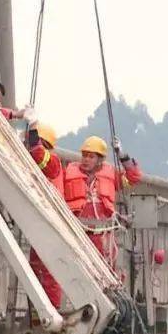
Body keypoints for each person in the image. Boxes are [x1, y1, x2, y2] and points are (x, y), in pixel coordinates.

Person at [63, 135, 143, 270]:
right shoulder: (70, 172)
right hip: (77, 234)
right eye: (84, 155)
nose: (86, 160)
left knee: (106, 273)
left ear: (100, 159)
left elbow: (134, 178)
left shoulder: (111, 175)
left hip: (102, 238)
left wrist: (122, 155)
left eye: (91, 156)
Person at [28, 121, 66, 308]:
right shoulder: (40, 162)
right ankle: (38, 312)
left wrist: (32, 130)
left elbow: (38, 155)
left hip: (50, 221)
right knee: (36, 267)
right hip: (43, 220)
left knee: (49, 269)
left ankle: (53, 309)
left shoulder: (52, 161)